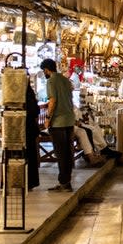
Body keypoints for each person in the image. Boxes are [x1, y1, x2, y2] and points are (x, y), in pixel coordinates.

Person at [41, 58, 76, 192]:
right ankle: (66, 182)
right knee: (68, 153)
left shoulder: (51, 81)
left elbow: (53, 101)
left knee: (61, 153)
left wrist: (48, 118)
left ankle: (64, 183)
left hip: (58, 122)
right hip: (69, 120)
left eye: (44, 71)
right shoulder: (65, 79)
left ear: (46, 70)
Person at [25, 78, 41, 190]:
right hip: (31, 129)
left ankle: (27, 181)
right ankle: (31, 181)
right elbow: (36, 110)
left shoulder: (25, 95)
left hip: (26, 128)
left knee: (27, 155)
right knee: (31, 155)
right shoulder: (30, 94)